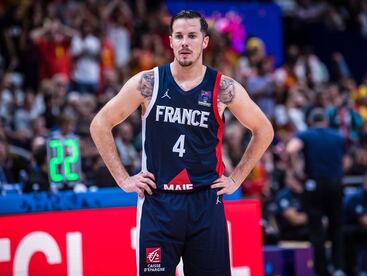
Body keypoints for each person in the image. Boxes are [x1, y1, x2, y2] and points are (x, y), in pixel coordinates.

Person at [90, 10, 273, 276]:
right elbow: (100, 124)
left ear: (205, 41)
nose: (185, 42)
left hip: (206, 203)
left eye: (191, 36)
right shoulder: (148, 83)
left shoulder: (223, 87)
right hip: (159, 202)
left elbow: (264, 130)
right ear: (171, 41)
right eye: (179, 36)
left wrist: (236, 179)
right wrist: (123, 179)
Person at [286, 108, 346, 276]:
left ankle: (321, 271)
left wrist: (297, 170)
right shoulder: (338, 135)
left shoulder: (306, 134)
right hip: (335, 184)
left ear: (311, 121)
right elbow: (345, 161)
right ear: (326, 121)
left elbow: (291, 149)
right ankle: (339, 268)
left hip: (315, 184)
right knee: (337, 227)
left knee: (316, 228)